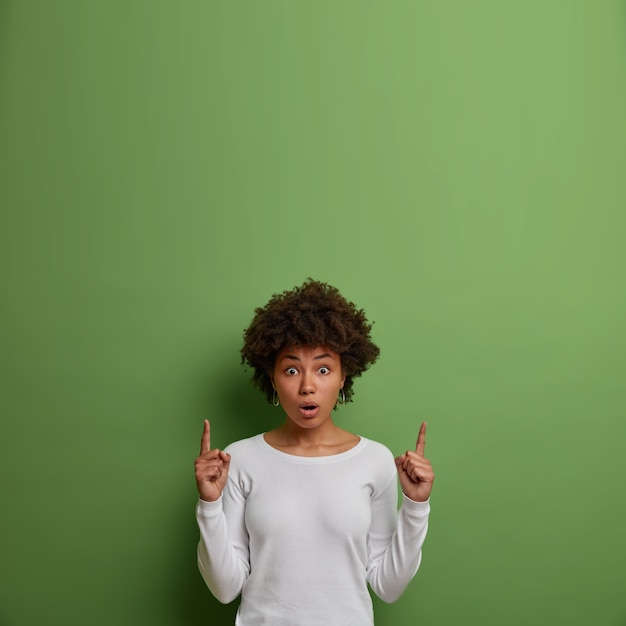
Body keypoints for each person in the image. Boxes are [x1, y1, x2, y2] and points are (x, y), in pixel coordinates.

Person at [194, 279, 435, 626]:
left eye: (323, 369)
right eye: (291, 370)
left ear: (343, 376)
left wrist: (416, 507)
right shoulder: (240, 459)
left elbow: (388, 587)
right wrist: (209, 506)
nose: (307, 386)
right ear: (273, 379)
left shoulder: (375, 461)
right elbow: (224, 589)